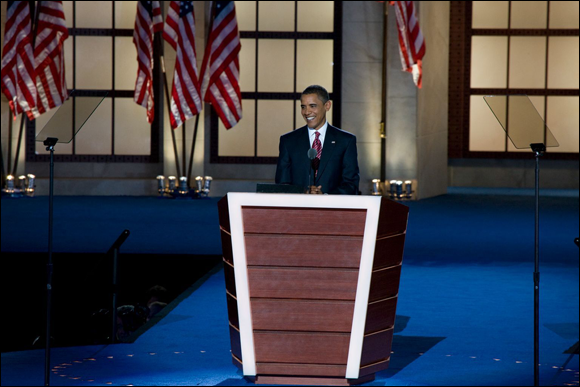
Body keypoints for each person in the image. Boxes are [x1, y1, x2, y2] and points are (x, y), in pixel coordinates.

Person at [275, 85, 360, 195]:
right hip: (298, 209)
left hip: (332, 210)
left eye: (312, 106)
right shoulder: (288, 141)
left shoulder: (346, 141)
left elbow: (351, 185)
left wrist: (325, 196)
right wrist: (302, 193)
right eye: (303, 107)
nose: (307, 112)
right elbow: (282, 185)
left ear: (327, 105)